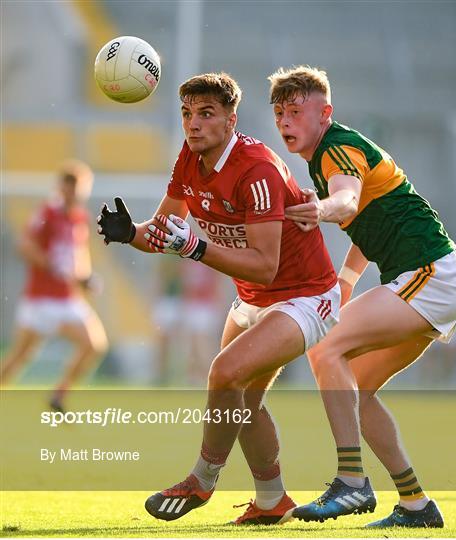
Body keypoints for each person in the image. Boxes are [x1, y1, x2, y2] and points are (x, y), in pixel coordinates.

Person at [97, 72, 341, 525]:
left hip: (304, 297)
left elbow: (265, 264)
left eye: (206, 114)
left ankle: (202, 479)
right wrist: (131, 233)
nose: (193, 124)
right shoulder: (188, 160)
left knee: (225, 372)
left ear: (231, 120)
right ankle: (272, 501)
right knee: (242, 401)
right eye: (187, 114)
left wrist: (195, 248)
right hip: (254, 297)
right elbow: (163, 232)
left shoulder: (257, 168)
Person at [266, 65, 456, 528]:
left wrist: (319, 209)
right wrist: (344, 281)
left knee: (323, 346)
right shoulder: (330, 155)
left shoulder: (336, 149)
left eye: (296, 111)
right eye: (279, 112)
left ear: (325, 113)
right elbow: (365, 219)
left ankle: (352, 483)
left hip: (431, 274)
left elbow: (347, 203)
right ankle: (417, 505)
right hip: (425, 278)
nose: (285, 122)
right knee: (354, 388)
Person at [1, 160, 108, 412]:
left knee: (94, 344)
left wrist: (84, 278)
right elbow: (25, 245)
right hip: (42, 298)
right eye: (72, 186)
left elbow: (76, 256)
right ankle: (58, 394)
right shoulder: (48, 212)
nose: (76, 192)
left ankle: (59, 394)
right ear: (62, 187)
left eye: (81, 187)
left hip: (66, 298)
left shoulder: (79, 218)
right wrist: (51, 265)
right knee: (20, 356)